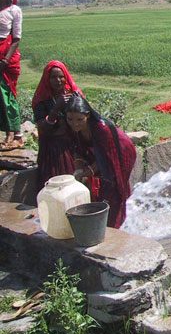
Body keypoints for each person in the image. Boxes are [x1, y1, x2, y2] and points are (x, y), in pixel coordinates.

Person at [65, 95, 136, 229]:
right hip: (102, 155)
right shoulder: (73, 129)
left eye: (79, 119)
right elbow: (77, 149)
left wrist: (87, 172)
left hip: (121, 151)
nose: (75, 123)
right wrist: (78, 169)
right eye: (70, 119)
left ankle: (116, 224)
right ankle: (108, 216)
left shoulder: (101, 129)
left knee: (115, 187)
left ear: (88, 116)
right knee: (102, 188)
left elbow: (106, 158)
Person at [32, 61, 85, 190]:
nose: (58, 80)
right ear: (47, 79)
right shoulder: (42, 100)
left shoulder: (73, 94)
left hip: (72, 146)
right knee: (56, 186)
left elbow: (84, 119)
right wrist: (56, 108)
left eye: (61, 76)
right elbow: (43, 127)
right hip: (52, 149)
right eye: (53, 77)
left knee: (76, 183)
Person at [0, 0, 23, 150]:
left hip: (6, 59)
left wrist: (5, 60)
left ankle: (16, 134)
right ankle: (7, 133)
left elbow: (16, 38)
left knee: (8, 96)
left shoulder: (14, 10)